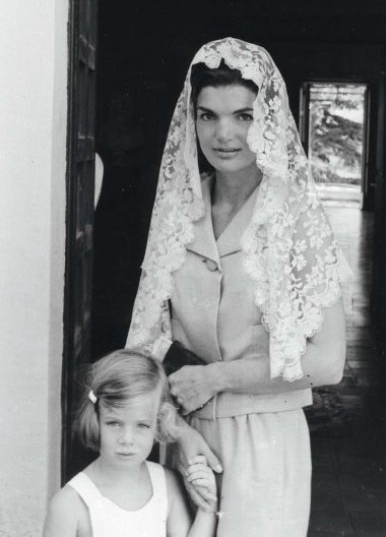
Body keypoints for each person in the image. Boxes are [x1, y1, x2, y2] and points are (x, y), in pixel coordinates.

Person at [126, 37, 348, 536]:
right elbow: (144, 345)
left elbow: (328, 361)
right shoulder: (177, 216)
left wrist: (216, 378)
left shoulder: (298, 222)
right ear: (192, 120)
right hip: (181, 439)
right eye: (208, 116)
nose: (224, 134)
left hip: (265, 441)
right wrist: (175, 431)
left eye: (243, 116)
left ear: (268, 120)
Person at [43, 350, 218, 537]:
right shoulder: (70, 503)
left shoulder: (166, 484)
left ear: (159, 422)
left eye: (142, 425)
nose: (127, 439)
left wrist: (207, 509)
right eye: (114, 423)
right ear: (95, 419)